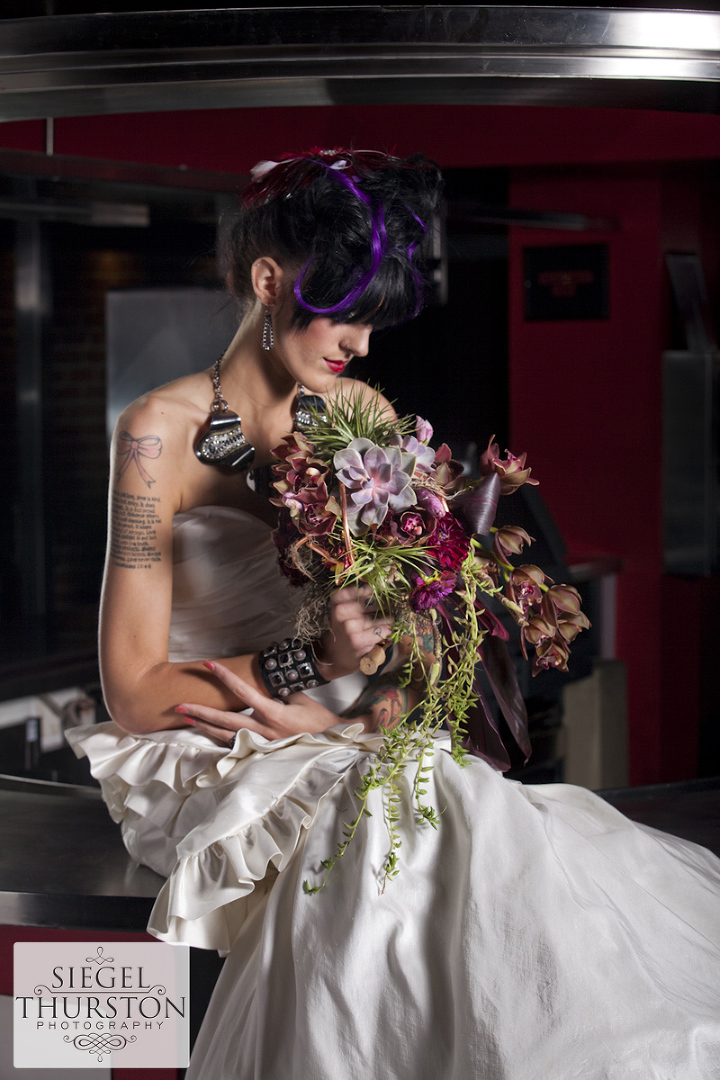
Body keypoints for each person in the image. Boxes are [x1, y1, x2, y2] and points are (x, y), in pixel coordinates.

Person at [69, 149, 720, 1080]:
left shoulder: (361, 415)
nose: (364, 346)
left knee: (478, 825)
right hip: (208, 733)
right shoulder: (153, 436)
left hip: (333, 726)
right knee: (382, 827)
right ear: (268, 279)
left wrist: (366, 703)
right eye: (348, 314)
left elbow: (413, 638)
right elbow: (133, 691)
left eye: (376, 322)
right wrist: (306, 669)